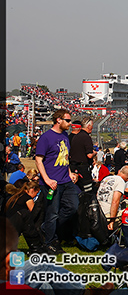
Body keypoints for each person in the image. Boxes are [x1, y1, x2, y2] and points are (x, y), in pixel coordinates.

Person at [35, 109, 80, 255]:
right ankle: (49, 242)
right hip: (51, 182)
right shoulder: (46, 137)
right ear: (58, 120)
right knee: (52, 213)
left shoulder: (65, 136)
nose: (70, 123)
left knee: (73, 207)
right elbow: (38, 160)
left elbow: (64, 159)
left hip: (66, 180)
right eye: (67, 120)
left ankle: (47, 228)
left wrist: (69, 173)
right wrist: (47, 179)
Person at [5, 180, 43, 251]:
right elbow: (33, 214)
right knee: (27, 218)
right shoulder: (27, 198)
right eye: (37, 193)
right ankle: (35, 246)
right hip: (15, 225)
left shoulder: (17, 196)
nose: (35, 196)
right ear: (33, 190)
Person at [97, 165, 128, 229]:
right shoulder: (120, 181)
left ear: (119, 171)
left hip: (98, 210)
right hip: (108, 213)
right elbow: (115, 201)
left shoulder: (107, 178)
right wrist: (112, 220)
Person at [69, 117, 95, 192]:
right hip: (83, 167)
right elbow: (89, 155)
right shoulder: (86, 137)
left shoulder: (76, 137)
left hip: (73, 166)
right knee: (87, 189)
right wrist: (94, 153)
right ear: (89, 126)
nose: (92, 128)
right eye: (92, 126)